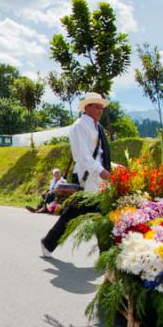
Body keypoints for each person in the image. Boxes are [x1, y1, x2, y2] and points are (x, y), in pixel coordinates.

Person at [40, 92, 111, 257]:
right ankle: (48, 243)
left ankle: (105, 254)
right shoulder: (79, 126)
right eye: (97, 106)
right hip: (85, 178)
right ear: (87, 107)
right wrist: (102, 171)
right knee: (74, 215)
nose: (101, 110)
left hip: (99, 179)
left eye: (102, 107)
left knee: (101, 215)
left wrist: (112, 167)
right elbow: (82, 155)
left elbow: (101, 155)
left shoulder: (98, 128)